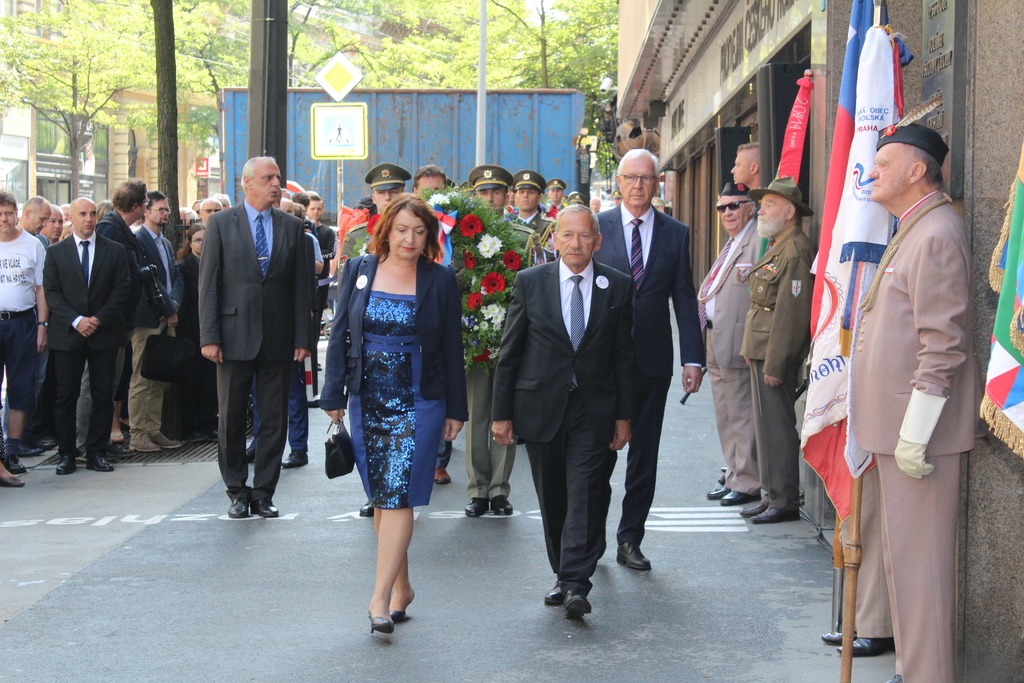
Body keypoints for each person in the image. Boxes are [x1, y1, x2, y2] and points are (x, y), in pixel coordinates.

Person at [850, 123, 982, 683]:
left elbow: (944, 342)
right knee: (905, 571)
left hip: (918, 438)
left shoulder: (936, 233)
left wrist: (915, 432)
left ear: (916, 170)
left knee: (923, 578)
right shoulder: (915, 226)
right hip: (896, 431)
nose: (872, 171)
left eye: (883, 162)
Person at [320, 193, 467, 634]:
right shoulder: (360, 270)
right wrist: (333, 395)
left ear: (430, 236)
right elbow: (343, 332)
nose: (410, 239)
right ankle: (402, 587)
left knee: (398, 494)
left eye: (420, 232)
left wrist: (455, 409)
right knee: (382, 495)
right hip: (369, 398)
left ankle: (379, 598)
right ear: (386, 230)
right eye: (402, 230)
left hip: (420, 398)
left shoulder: (440, 279)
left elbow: (451, 350)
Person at [492, 204, 635, 618]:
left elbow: (625, 357)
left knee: (585, 492)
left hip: (594, 410)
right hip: (541, 407)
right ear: (554, 240)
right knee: (553, 496)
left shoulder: (618, 286)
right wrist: (502, 414)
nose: (576, 244)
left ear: (598, 241)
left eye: (584, 236)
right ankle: (563, 572)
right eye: (568, 235)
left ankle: (575, 582)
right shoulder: (530, 282)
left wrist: (625, 416)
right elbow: (511, 351)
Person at [594, 148, 704, 570]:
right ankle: (590, 539)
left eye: (647, 178)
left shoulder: (676, 233)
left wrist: (692, 358)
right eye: (631, 177)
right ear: (619, 182)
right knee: (598, 453)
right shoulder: (597, 228)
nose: (638, 186)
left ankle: (629, 540)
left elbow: (683, 295)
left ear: (658, 184)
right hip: (603, 363)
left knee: (644, 455)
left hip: (652, 361)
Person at [199, 156, 311, 519]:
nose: (275, 183)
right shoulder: (220, 223)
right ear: (247, 183)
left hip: (278, 338)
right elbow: (209, 286)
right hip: (232, 338)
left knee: (274, 419)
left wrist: (302, 338)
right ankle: (236, 491)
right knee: (230, 418)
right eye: (267, 178)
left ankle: (263, 492)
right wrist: (209, 336)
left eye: (277, 177)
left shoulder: (293, 227)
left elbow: (301, 290)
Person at [738, 177, 814, 524]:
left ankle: (783, 499)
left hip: (774, 352)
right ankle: (770, 493)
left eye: (768, 204)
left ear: (789, 212)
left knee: (778, 427)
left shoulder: (795, 249)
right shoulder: (778, 244)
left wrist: (777, 362)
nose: (761, 210)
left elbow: (791, 314)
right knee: (764, 426)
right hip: (761, 346)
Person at [43, 197, 129, 476]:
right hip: (68, 334)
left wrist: (98, 320)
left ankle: (96, 452)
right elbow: (52, 292)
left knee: (103, 395)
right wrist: (77, 320)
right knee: (66, 395)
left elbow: (121, 289)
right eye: (83, 214)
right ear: (72, 218)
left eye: (93, 213)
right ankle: (67, 453)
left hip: (104, 333)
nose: (89, 219)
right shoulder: (56, 253)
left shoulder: (114, 251)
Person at [460, 164, 523, 517]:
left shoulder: (522, 235)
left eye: (496, 192)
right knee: (477, 413)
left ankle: (500, 489)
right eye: (483, 192)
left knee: (505, 411)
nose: (490, 198)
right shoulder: (460, 237)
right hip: (473, 336)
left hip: (511, 337)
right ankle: (477, 489)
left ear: (506, 195)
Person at [701, 183, 761, 507]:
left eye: (734, 206)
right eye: (722, 208)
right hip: (716, 337)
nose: (727, 213)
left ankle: (749, 480)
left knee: (740, 413)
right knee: (725, 414)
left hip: (738, 340)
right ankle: (735, 472)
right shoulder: (733, 242)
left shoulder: (757, 240)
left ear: (750, 207)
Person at [128, 191, 183, 453]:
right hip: (149, 317)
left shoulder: (166, 242)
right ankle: (138, 434)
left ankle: (153, 429)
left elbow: (174, 277)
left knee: (160, 376)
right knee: (142, 377)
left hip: (167, 315)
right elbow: (149, 280)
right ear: (146, 211)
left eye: (167, 209)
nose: (165, 214)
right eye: (160, 209)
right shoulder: (138, 240)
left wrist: (175, 304)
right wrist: (167, 306)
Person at [96, 180, 147, 451]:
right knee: (107, 381)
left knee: (116, 380)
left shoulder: (121, 229)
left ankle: (103, 437)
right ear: (136, 206)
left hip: (123, 319)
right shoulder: (109, 229)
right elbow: (105, 277)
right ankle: (99, 439)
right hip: (111, 320)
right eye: (146, 202)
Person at [0, 192, 49, 476]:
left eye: (8, 213)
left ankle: (13, 451)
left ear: (17, 213)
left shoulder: (32, 245)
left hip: (23, 323)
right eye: (0, 214)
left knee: (21, 389)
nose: (4, 219)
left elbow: (41, 289)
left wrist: (42, 326)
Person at [175, 225, 217, 443]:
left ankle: (209, 423)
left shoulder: (216, 264)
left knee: (210, 382)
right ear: (190, 242)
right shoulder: (183, 268)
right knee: (191, 383)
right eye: (198, 239)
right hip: (191, 331)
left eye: (205, 239)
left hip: (211, 332)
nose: (202, 243)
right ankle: (190, 427)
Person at [341, 163, 412, 261]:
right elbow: (344, 274)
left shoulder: (415, 233)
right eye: (381, 193)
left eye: (393, 192)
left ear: (403, 195)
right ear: (374, 198)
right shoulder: (355, 236)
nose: (387, 198)